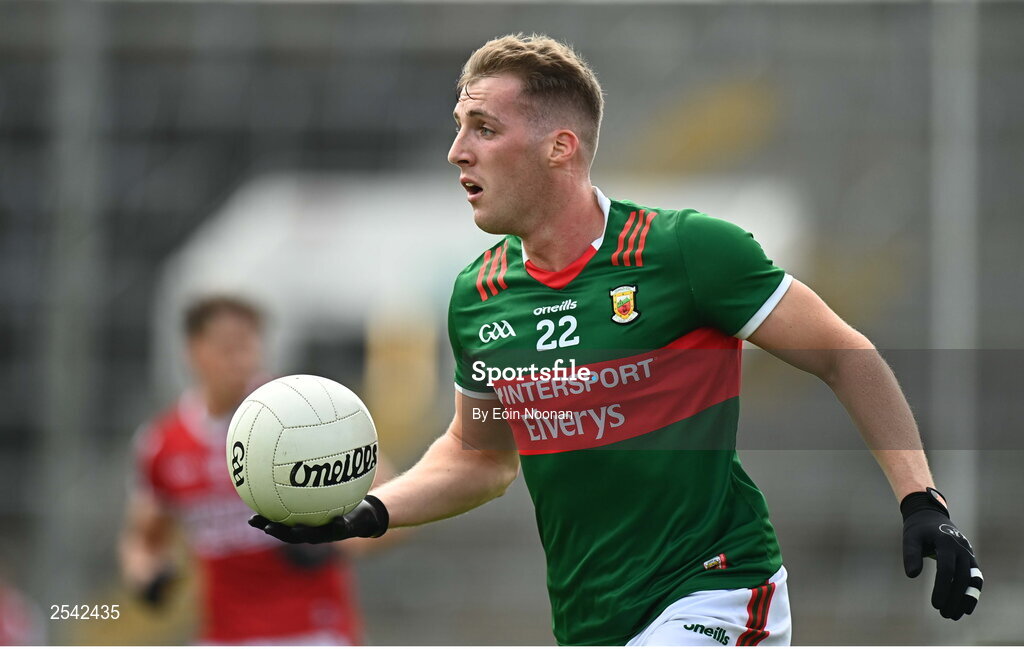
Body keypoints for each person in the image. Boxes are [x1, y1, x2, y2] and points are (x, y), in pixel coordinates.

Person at [250, 34, 984, 645]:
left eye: (483, 128)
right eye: (457, 126)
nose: (457, 151)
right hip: (590, 621)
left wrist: (921, 500)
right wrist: (372, 511)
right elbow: (480, 457)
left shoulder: (686, 251)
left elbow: (843, 355)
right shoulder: (479, 294)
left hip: (718, 591)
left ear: (559, 147)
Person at [120, 296, 383, 645]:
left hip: (315, 630)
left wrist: (336, 546)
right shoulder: (164, 444)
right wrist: (148, 576)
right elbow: (144, 539)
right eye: (227, 348)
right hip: (225, 636)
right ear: (193, 351)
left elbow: (388, 501)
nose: (241, 360)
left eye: (248, 345)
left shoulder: (306, 414)